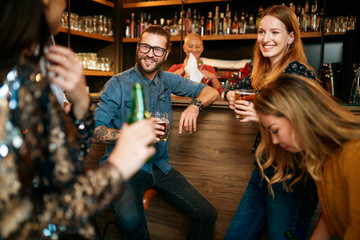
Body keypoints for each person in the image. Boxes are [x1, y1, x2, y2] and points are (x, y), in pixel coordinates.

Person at [0, 0, 156, 239]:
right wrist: (115, 169)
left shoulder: (29, 67)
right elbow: (22, 222)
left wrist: (81, 105)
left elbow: (62, 167)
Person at [93, 25, 219, 239]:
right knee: (131, 222)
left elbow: (212, 91)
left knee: (206, 214)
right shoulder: (118, 83)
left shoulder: (168, 80)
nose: (150, 54)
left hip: (160, 166)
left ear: (166, 54)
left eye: (157, 49)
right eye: (145, 47)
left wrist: (194, 106)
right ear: (138, 47)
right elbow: (96, 130)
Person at [224, 5, 319, 240]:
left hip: (291, 176)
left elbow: (310, 125)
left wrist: (261, 114)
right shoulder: (263, 72)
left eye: (275, 32)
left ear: (291, 37)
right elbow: (232, 88)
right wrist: (232, 97)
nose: (266, 39)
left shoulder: (298, 72)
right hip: (263, 170)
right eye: (261, 32)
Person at [254, 74, 360, 240]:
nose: (274, 140)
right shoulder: (321, 157)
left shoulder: (355, 153)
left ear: (298, 116)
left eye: (275, 130)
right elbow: (329, 217)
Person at [168, 32, 223, 97]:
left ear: (202, 49)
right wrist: (182, 70)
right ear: (184, 48)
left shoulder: (209, 69)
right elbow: (164, 88)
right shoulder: (175, 68)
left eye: (197, 47)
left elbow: (219, 94)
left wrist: (213, 77)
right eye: (190, 46)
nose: (194, 50)